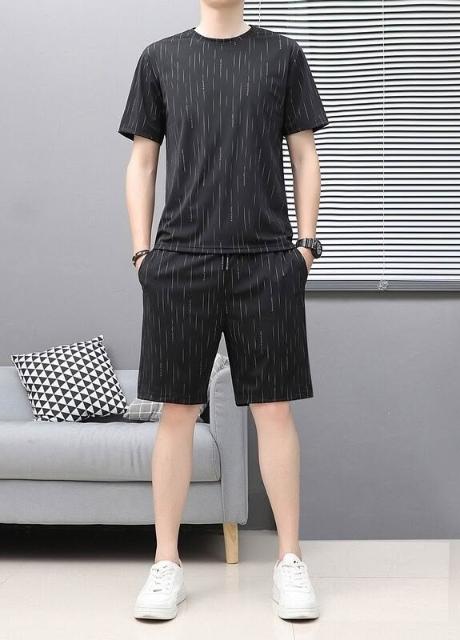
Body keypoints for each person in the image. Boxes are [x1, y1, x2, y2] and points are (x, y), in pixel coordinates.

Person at [118, 0, 327, 622]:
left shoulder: (283, 55)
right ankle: (166, 563)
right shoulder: (160, 58)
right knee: (177, 414)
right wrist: (142, 254)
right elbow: (143, 161)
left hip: (267, 260)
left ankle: (290, 560)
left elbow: (305, 153)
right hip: (180, 259)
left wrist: (305, 248)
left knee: (274, 410)